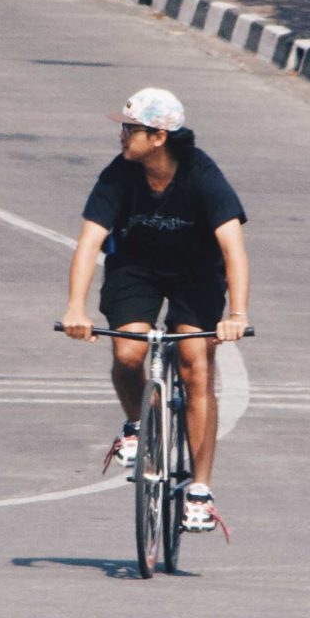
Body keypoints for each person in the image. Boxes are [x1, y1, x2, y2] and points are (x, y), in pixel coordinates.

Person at [60, 88, 251, 534]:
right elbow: (89, 242)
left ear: (159, 136)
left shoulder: (202, 175)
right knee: (128, 353)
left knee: (196, 365)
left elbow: (233, 248)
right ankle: (134, 425)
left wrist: (237, 314)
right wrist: (75, 308)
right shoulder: (119, 174)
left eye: (130, 130)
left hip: (197, 274)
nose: (122, 137)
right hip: (137, 270)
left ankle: (199, 492)